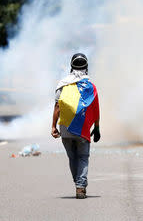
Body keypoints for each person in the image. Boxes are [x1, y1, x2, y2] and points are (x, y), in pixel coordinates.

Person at [51, 53, 100, 199]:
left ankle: (78, 183)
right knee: (83, 157)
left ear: (71, 67)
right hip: (83, 128)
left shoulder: (63, 84)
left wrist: (53, 127)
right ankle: (80, 186)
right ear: (86, 68)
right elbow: (96, 109)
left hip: (65, 127)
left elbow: (57, 107)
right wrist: (97, 127)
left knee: (72, 158)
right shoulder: (90, 87)